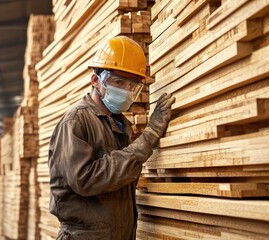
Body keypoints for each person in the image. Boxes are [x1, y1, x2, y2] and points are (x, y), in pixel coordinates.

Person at [48, 36, 175, 239]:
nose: (125, 91)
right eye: (118, 82)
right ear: (96, 80)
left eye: (131, 86)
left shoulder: (119, 124)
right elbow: (85, 179)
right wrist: (148, 136)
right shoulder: (76, 121)